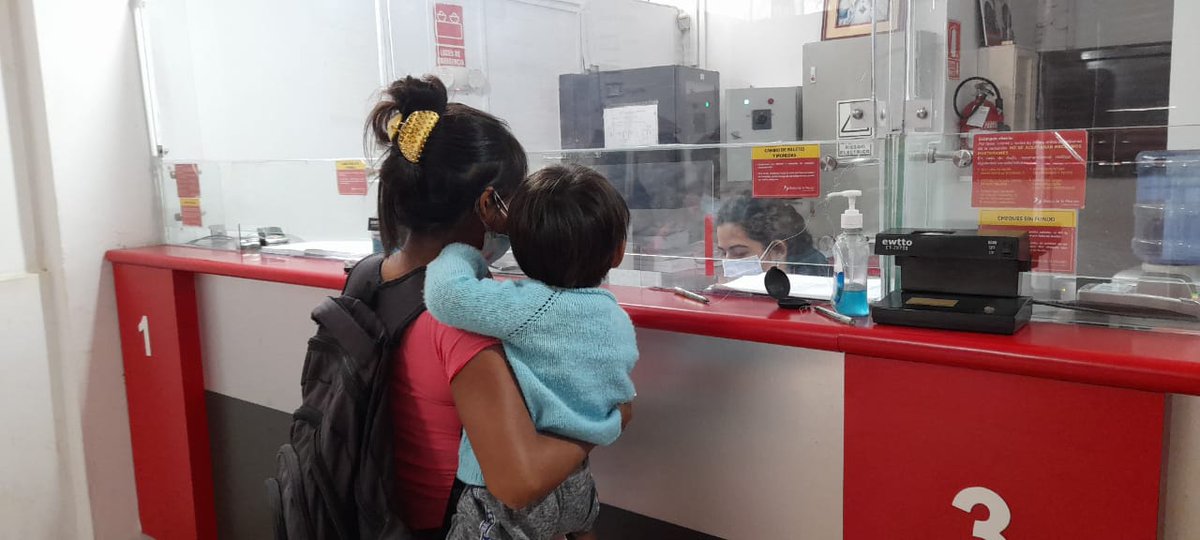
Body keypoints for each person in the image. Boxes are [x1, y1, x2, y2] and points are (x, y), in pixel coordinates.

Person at [365, 76, 628, 539]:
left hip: (380, 513)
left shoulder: (372, 274)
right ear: (490, 205)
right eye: (517, 200)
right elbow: (517, 482)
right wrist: (609, 422)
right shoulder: (459, 325)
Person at [424, 164, 638, 540]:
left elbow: (446, 295)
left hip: (509, 505)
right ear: (618, 253)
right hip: (576, 485)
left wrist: (462, 252)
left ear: (519, 251)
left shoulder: (529, 308)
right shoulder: (615, 317)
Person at [715, 192, 829, 277]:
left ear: (778, 250)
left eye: (739, 253)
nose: (727, 265)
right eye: (723, 253)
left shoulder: (812, 289)